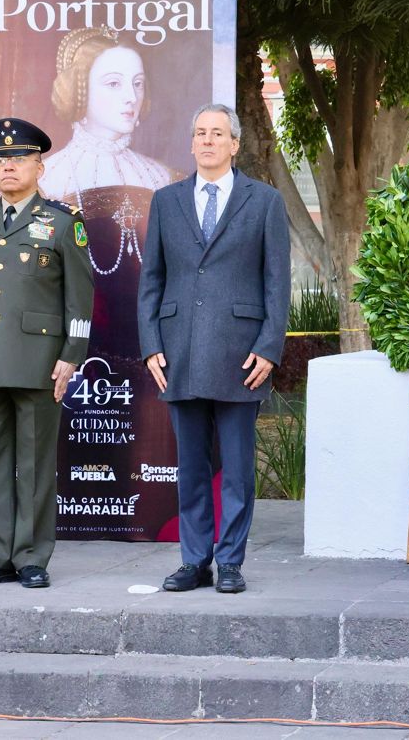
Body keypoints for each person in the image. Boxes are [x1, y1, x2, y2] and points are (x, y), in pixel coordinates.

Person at [137, 104, 289, 594]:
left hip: (241, 354)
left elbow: (276, 283)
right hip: (178, 352)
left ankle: (230, 562)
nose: (207, 141)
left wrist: (269, 347)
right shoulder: (166, 201)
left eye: (217, 133)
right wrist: (151, 346)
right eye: (200, 132)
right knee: (192, 469)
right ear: (192, 142)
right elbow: (152, 281)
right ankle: (194, 560)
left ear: (234, 144)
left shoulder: (263, 201)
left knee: (238, 471)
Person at [0, 118, 94, 589]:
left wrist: (71, 355)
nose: (8, 167)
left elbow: (80, 297)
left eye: (18, 159)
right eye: (1, 160)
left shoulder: (61, 222)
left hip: (39, 360)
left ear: (39, 166)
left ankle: (31, 555)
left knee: (32, 461)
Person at [40, 27, 178, 201]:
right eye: (113, 83)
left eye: (137, 83)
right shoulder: (43, 182)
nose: (131, 97)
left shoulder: (161, 178)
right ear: (79, 91)